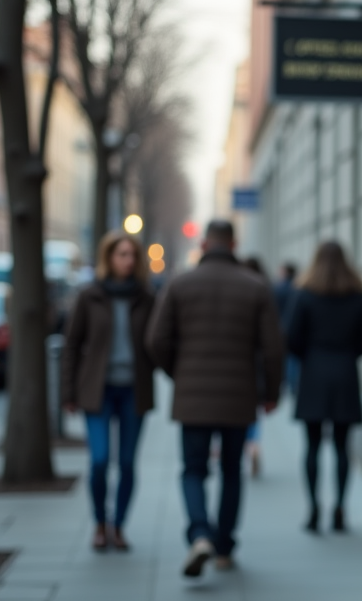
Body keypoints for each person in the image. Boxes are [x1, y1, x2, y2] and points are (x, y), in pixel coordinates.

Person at [146, 220, 284, 577]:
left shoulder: (179, 284)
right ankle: (224, 545)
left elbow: (156, 340)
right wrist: (270, 392)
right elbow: (272, 348)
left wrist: (179, 373)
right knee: (231, 470)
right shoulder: (255, 287)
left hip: (193, 397)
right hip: (239, 396)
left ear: (205, 243)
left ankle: (199, 533)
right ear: (234, 244)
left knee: (193, 468)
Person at [61, 230, 157, 552]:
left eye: (132, 255)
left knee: (127, 463)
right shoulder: (90, 296)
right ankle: (100, 522)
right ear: (109, 258)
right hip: (97, 391)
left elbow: (159, 341)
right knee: (100, 459)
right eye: (122, 254)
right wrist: (68, 392)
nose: (128, 261)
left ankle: (119, 527)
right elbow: (72, 344)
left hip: (134, 389)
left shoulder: (146, 297)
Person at [286, 241, 362, 533]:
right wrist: (348, 354)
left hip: (313, 373)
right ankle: (340, 508)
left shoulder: (305, 294)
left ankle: (313, 509)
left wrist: (310, 356)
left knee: (311, 446)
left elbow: (290, 336)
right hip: (345, 373)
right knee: (342, 446)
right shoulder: (356, 294)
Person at [241, 256, 270, 477]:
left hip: (234, 365)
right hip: (256, 366)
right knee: (251, 412)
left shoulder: (237, 291)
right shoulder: (265, 292)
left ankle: (237, 446)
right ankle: (253, 446)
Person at [274, 262, 300, 395]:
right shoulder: (298, 288)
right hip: (294, 327)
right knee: (293, 359)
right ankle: (294, 385)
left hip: (281, 326)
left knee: (287, 358)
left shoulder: (278, 288)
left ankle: (289, 382)